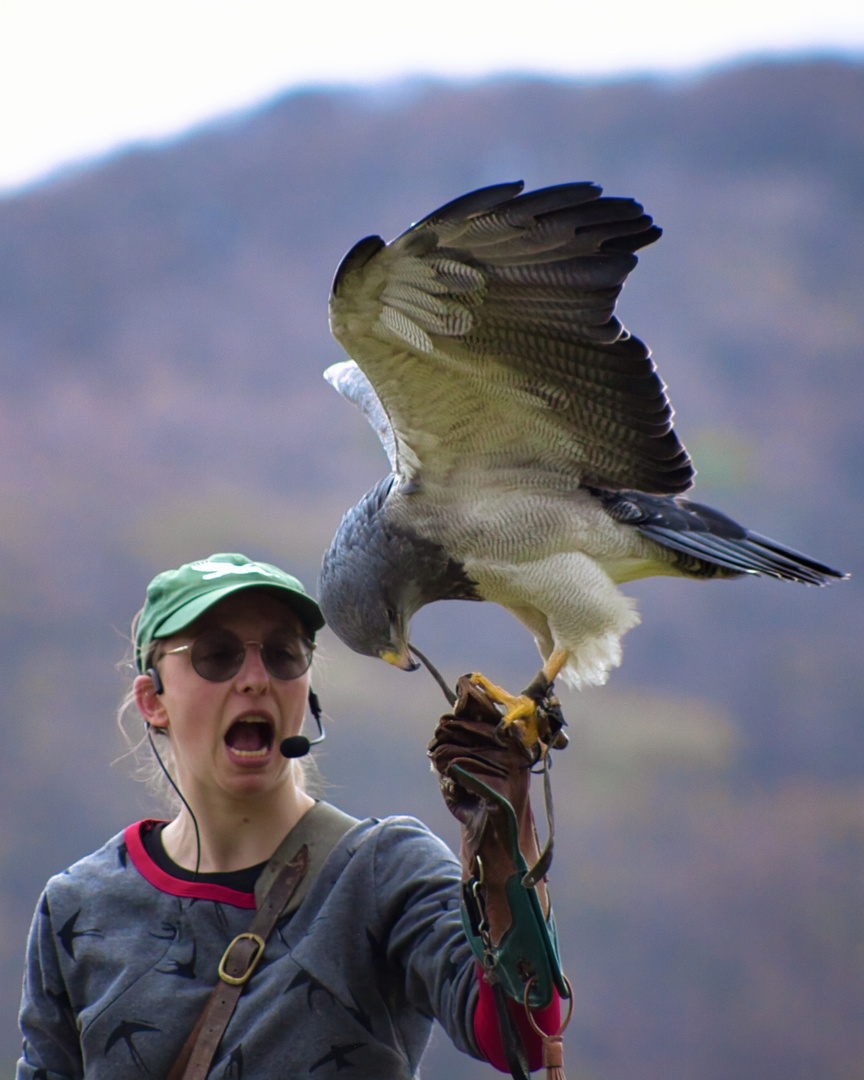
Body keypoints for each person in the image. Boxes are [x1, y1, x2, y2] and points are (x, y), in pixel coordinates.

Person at [17, 553, 565, 1079]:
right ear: (152, 700)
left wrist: (502, 851)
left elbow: (520, 1038)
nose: (255, 678)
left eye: (282, 654)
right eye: (216, 655)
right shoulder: (78, 906)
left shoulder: (381, 871)